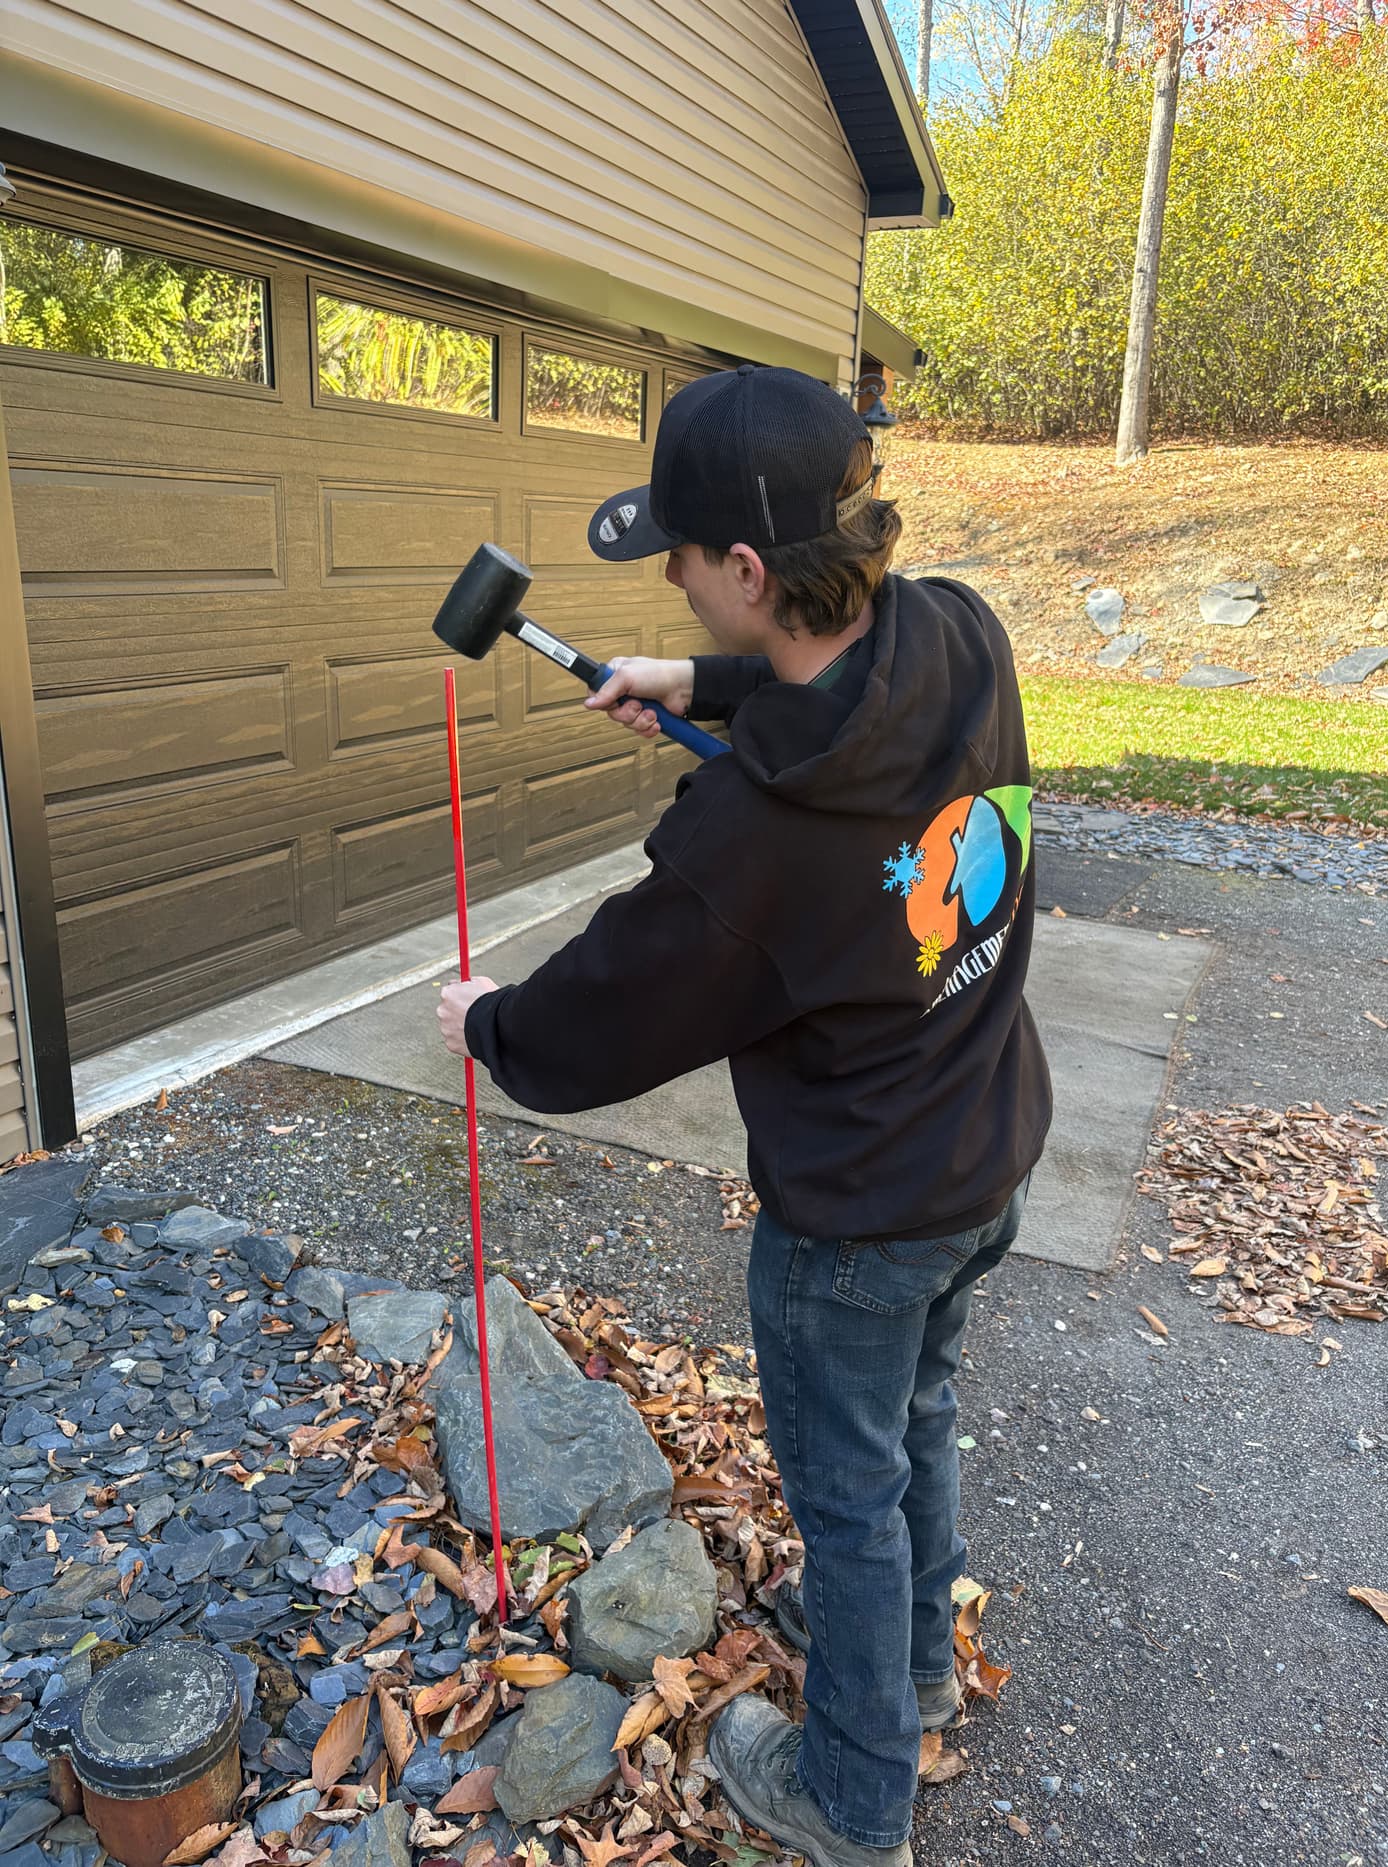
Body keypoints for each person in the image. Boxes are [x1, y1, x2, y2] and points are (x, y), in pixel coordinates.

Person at [436, 364, 1052, 1867]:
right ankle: (914, 1672)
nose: (668, 575)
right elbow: (841, 706)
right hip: (984, 1154)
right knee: (912, 1428)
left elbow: (612, 1009)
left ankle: (855, 1799)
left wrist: (491, 1025)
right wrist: (702, 683)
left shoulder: (753, 841)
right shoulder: (959, 631)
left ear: (752, 570)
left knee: (845, 1502)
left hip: (858, 1221)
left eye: (684, 557)